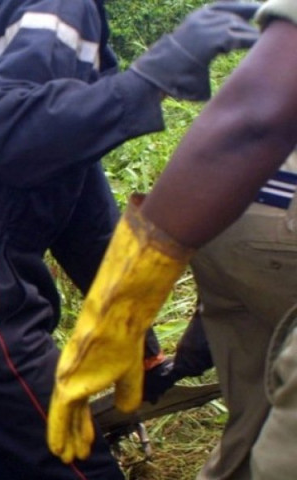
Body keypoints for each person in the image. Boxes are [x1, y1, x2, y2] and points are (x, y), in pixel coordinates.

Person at [0, 0, 259, 477]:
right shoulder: (63, 5)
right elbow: (7, 129)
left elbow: (86, 223)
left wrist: (139, 344)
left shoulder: (2, 14)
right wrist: (152, 76)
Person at [47, 2, 297, 479]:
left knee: (256, 420)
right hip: (278, 228)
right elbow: (256, 115)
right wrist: (122, 309)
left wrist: (147, 326)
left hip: (224, 216)